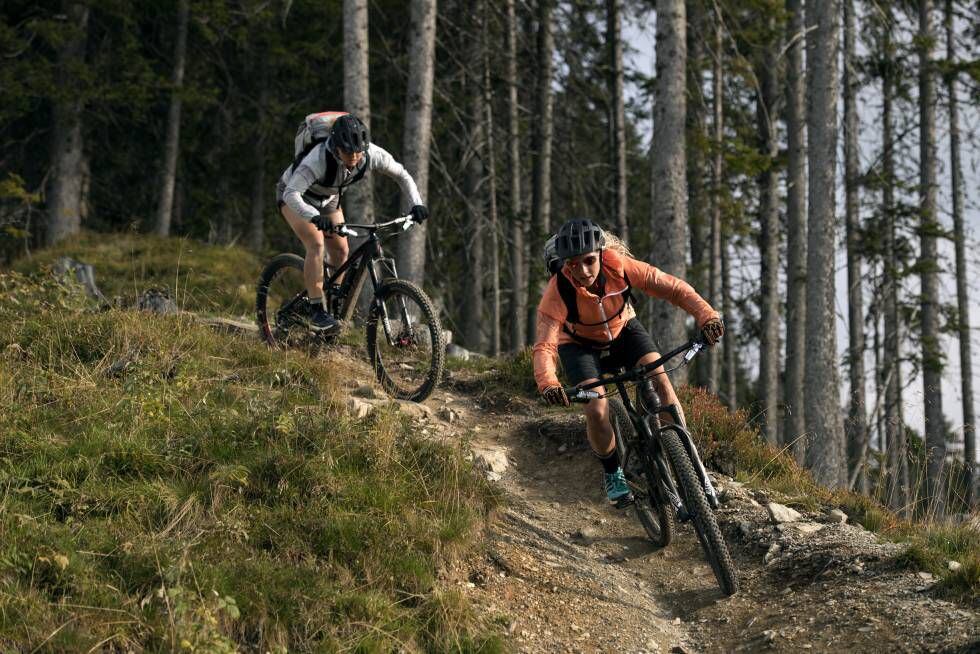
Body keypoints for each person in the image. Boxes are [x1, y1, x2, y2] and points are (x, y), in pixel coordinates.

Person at [532, 218, 724, 507]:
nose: (582, 271)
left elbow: (673, 288)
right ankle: (613, 473)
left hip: (624, 329)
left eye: (588, 261)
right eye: (573, 264)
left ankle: (690, 463)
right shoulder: (557, 291)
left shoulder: (618, 265)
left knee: (661, 382)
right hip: (580, 346)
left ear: (600, 253)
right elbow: (545, 345)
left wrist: (706, 315)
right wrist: (549, 383)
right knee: (596, 408)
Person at [276, 113, 429, 335]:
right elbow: (292, 193)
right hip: (294, 196)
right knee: (317, 243)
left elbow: (402, 175)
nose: (355, 157)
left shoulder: (370, 155)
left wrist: (417, 204)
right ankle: (317, 310)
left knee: (341, 250)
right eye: (348, 152)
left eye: (358, 151)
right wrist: (312, 216)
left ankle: (332, 299)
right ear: (336, 147)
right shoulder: (317, 160)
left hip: (328, 198)